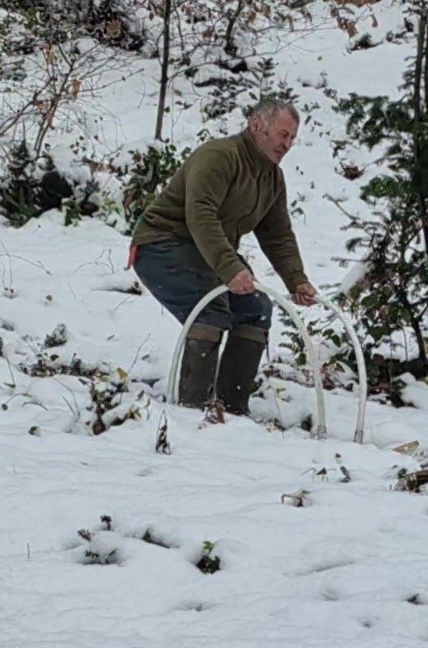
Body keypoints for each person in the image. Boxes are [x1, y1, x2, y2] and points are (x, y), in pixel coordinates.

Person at [129, 99, 318, 416]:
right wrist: (230, 268)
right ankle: (192, 410)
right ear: (257, 126)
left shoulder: (271, 178)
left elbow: (277, 234)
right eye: (282, 134)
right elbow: (200, 215)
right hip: (161, 245)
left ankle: (232, 409)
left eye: (292, 139)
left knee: (255, 308)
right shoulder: (218, 156)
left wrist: (297, 280)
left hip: (205, 251)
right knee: (210, 309)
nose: (287, 145)